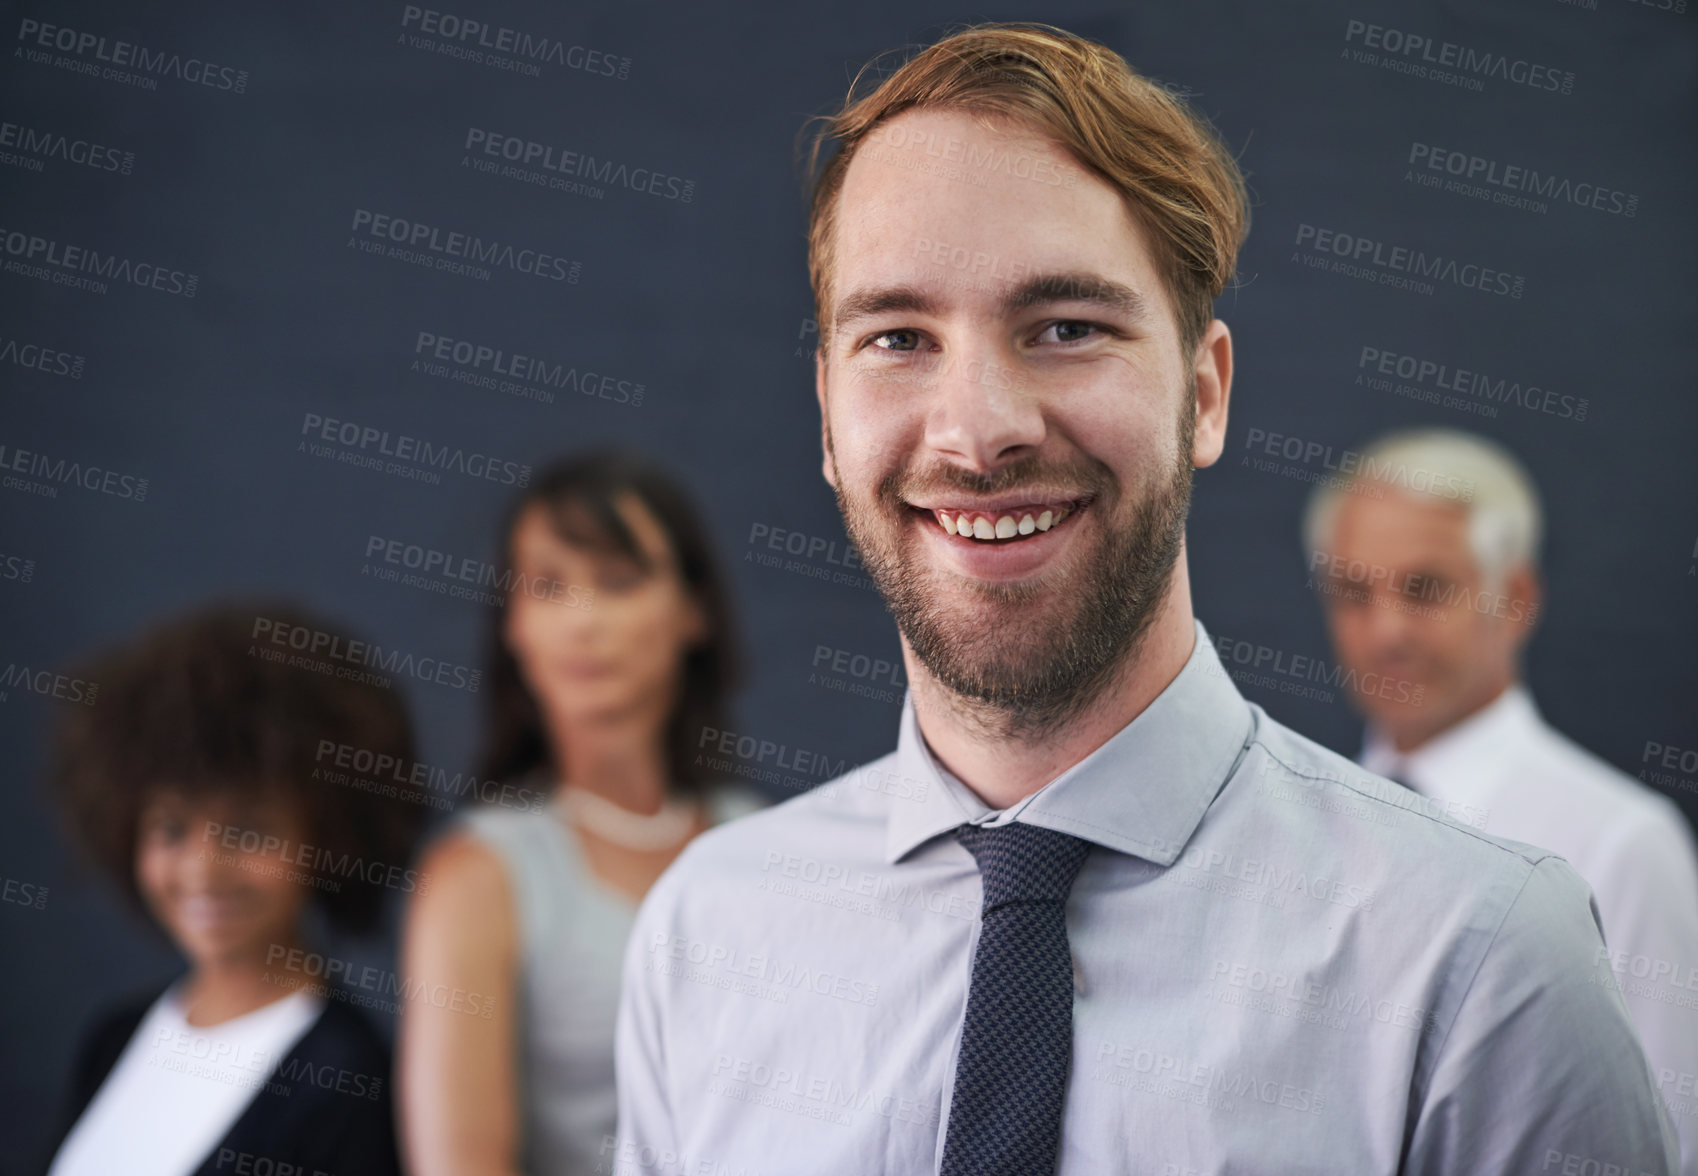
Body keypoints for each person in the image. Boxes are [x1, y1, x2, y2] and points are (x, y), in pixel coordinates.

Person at [612, 22, 1679, 1176]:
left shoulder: (1479, 968)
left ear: (1205, 393)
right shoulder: (706, 938)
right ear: (827, 411)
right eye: (899, 336)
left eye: (1066, 328)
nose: (977, 435)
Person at [1304, 426, 1698, 1173]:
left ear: (1513, 598)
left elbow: (1672, 1139)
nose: (1384, 630)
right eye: (1353, 592)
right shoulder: (1302, 821)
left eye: (1425, 589)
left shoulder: (1620, 842)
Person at [398, 448, 767, 1176]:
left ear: (694, 611)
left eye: (620, 580)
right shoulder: (476, 877)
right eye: (547, 586)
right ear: (514, 628)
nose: (584, 619)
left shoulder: (766, 841)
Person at [40, 602, 421, 1176]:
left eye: (247, 831)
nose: (203, 870)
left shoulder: (347, 1081)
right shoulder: (115, 1037)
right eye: (171, 828)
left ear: (330, 838)